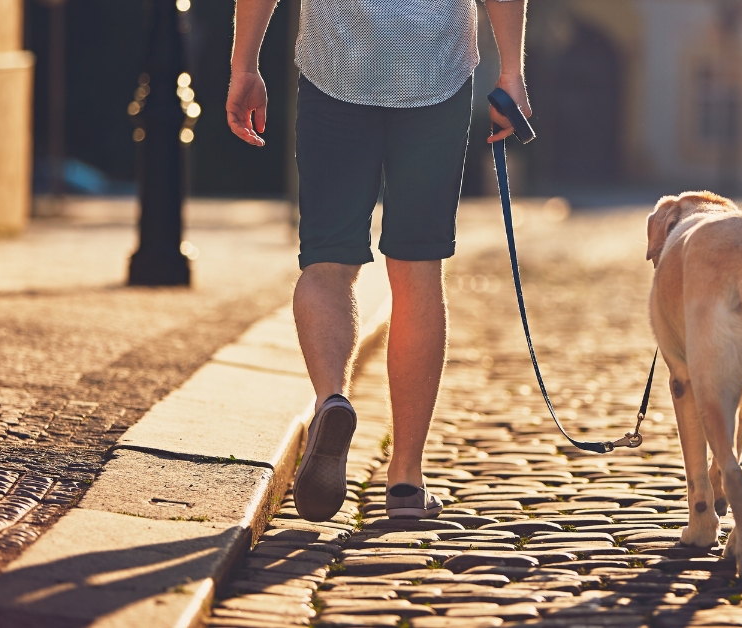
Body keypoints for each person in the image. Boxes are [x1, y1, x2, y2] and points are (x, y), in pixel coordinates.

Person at [226, 0, 530, 522]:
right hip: (436, 72)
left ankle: (331, 401)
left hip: (336, 68)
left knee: (327, 264)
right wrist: (511, 72)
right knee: (417, 270)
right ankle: (406, 480)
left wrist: (245, 65)